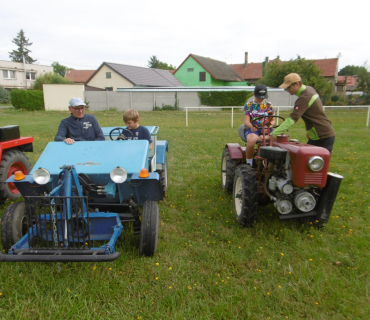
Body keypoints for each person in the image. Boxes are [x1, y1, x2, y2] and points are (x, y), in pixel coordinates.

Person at [273, 73, 335, 153]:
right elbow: (314, 111)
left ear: (297, 84)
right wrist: (310, 132)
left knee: (313, 163)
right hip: (319, 135)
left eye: (288, 87)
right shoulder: (309, 89)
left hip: (322, 136)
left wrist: (274, 134)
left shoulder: (304, 98)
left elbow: (292, 119)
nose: (287, 90)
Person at [244, 84, 275, 166]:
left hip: (266, 128)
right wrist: (252, 126)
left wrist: (268, 127)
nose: (261, 99)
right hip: (254, 128)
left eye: (263, 97)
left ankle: (273, 163)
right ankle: (249, 163)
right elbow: (246, 121)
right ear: (254, 94)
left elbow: (273, 120)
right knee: (251, 141)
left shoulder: (269, 105)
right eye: (258, 97)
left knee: (278, 140)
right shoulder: (249, 105)